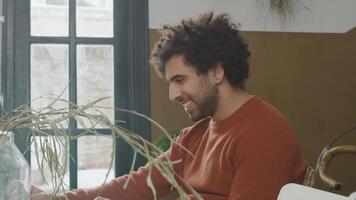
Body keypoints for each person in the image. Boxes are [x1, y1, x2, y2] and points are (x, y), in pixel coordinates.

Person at [31, 12, 307, 200]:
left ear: (216, 72)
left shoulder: (263, 133)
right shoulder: (196, 135)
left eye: (180, 80)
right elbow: (138, 186)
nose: (172, 94)